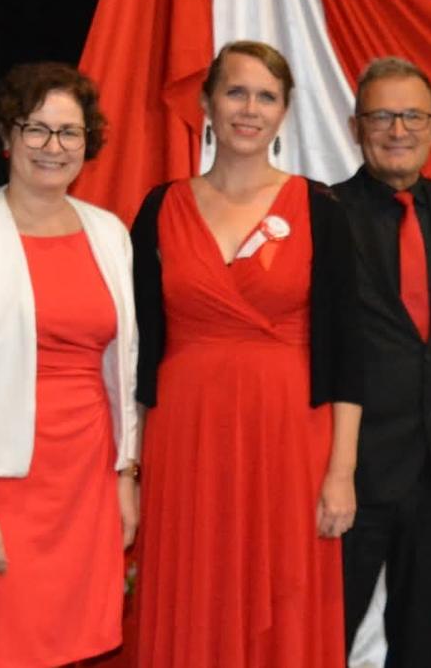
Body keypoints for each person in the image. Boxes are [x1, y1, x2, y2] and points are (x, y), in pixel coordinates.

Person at [131, 40, 362, 668]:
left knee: (284, 597)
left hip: (290, 439)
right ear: (208, 103)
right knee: (192, 584)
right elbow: (139, 351)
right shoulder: (159, 208)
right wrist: (129, 467)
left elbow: (347, 355)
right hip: (185, 438)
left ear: (285, 112)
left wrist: (340, 473)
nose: (249, 108)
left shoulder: (321, 210)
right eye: (236, 91)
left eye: (266, 96)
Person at [0, 62, 141, 667]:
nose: (53, 147)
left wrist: (125, 475)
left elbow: (126, 366)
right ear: (6, 137)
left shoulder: (110, 233)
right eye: (36, 129)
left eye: (69, 133)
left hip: (89, 478)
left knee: (83, 646)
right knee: (4, 649)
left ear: (88, 144)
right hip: (0, 486)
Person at [331, 57, 431, 668]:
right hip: (353, 471)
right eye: (382, 115)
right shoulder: (323, 213)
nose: (398, 129)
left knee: (421, 639)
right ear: (355, 127)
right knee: (328, 634)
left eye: (413, 116)